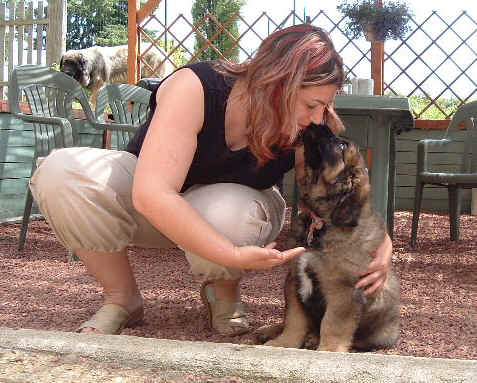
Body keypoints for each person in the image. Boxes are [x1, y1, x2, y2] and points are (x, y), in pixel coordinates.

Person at [29, 24, 393, 336]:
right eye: (312, 104)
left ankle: (224, 292)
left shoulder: (307, 124)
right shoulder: (195, 86)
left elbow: (334, 193)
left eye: (324, 107)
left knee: (229, 210)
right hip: (150, 207)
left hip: (229, 214)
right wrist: (232, 254)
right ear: (278, 81)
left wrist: (380, 241)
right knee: (62, 173)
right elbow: (152, 192)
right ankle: (122, 299)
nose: (318, 118)